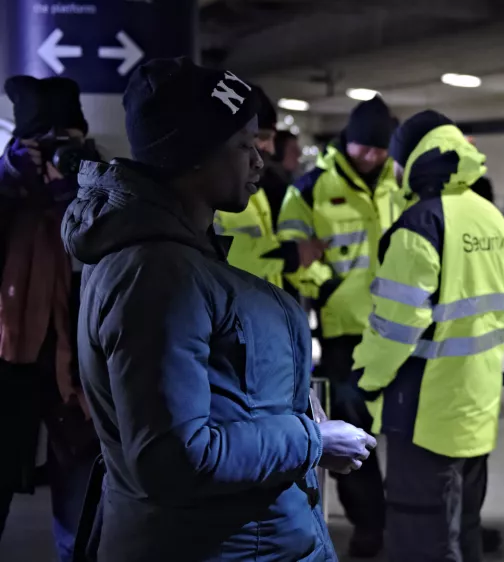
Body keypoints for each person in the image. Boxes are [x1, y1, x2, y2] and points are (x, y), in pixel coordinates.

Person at [61, 57, 376, 562]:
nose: (259, 161)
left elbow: (222, 398)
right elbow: (174, 457)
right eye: (243, 145)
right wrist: (311, 438)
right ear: (194, 155)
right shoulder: (159, 276)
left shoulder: (180, 259)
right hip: (219, 547)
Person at [352, 110, 504, 562]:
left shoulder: (419, 224)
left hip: (423, 409)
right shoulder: (491, 216)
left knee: (419, 535)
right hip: (478, 401)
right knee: (464, 528)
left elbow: (394, 329)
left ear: (413, 159)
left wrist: (365, 379)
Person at [277, 95, 397, 557]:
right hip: (345, 328)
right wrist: (327, 284)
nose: (374, 156)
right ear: (348, 142)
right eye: (366, 147)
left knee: (402, 429)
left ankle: (403, 516)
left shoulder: (397, 184)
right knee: (355, 433)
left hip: (396, 327)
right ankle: (369, 524)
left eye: (381, 149)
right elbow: (292, 250)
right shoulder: (310, 188)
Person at [0, 75, 99, 562]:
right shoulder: (5, 186)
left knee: (82, 512)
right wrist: (7, 185)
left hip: (76, 369)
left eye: (67, 142)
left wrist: (78, 199)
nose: (55, 154)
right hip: (8, 367)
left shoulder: (100, 188)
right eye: (42, 144)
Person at [214, 87, 325, 288]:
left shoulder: (255, 187)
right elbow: (218, 255)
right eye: (264, 136)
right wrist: (290, 253)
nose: (271, 149)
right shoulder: (212, 192)